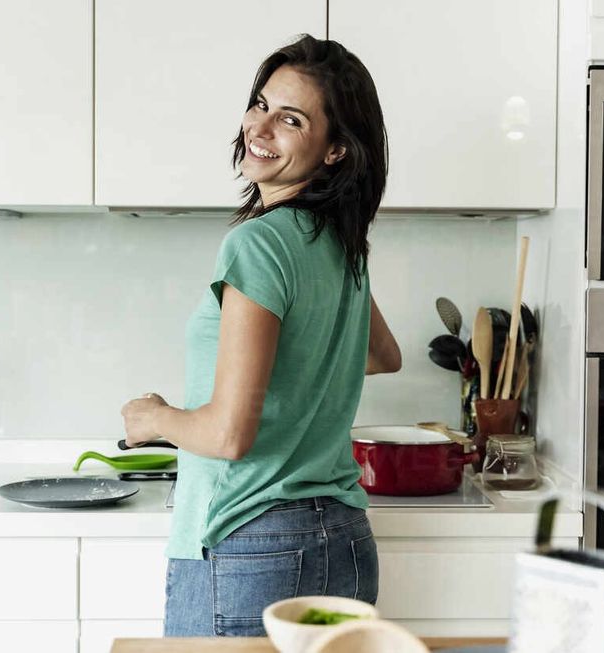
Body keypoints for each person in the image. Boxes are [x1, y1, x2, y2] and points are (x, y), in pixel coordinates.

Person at [120, 34, 401, 637]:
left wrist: (154, 418)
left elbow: (227, 436)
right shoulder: (342, 247)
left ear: (334, 152)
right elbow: (381, 355)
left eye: (291, 119)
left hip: (252, 542)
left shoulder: (258, 244)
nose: (260, 127)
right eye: (261, 104)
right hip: (345, 540)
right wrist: (305, 369)